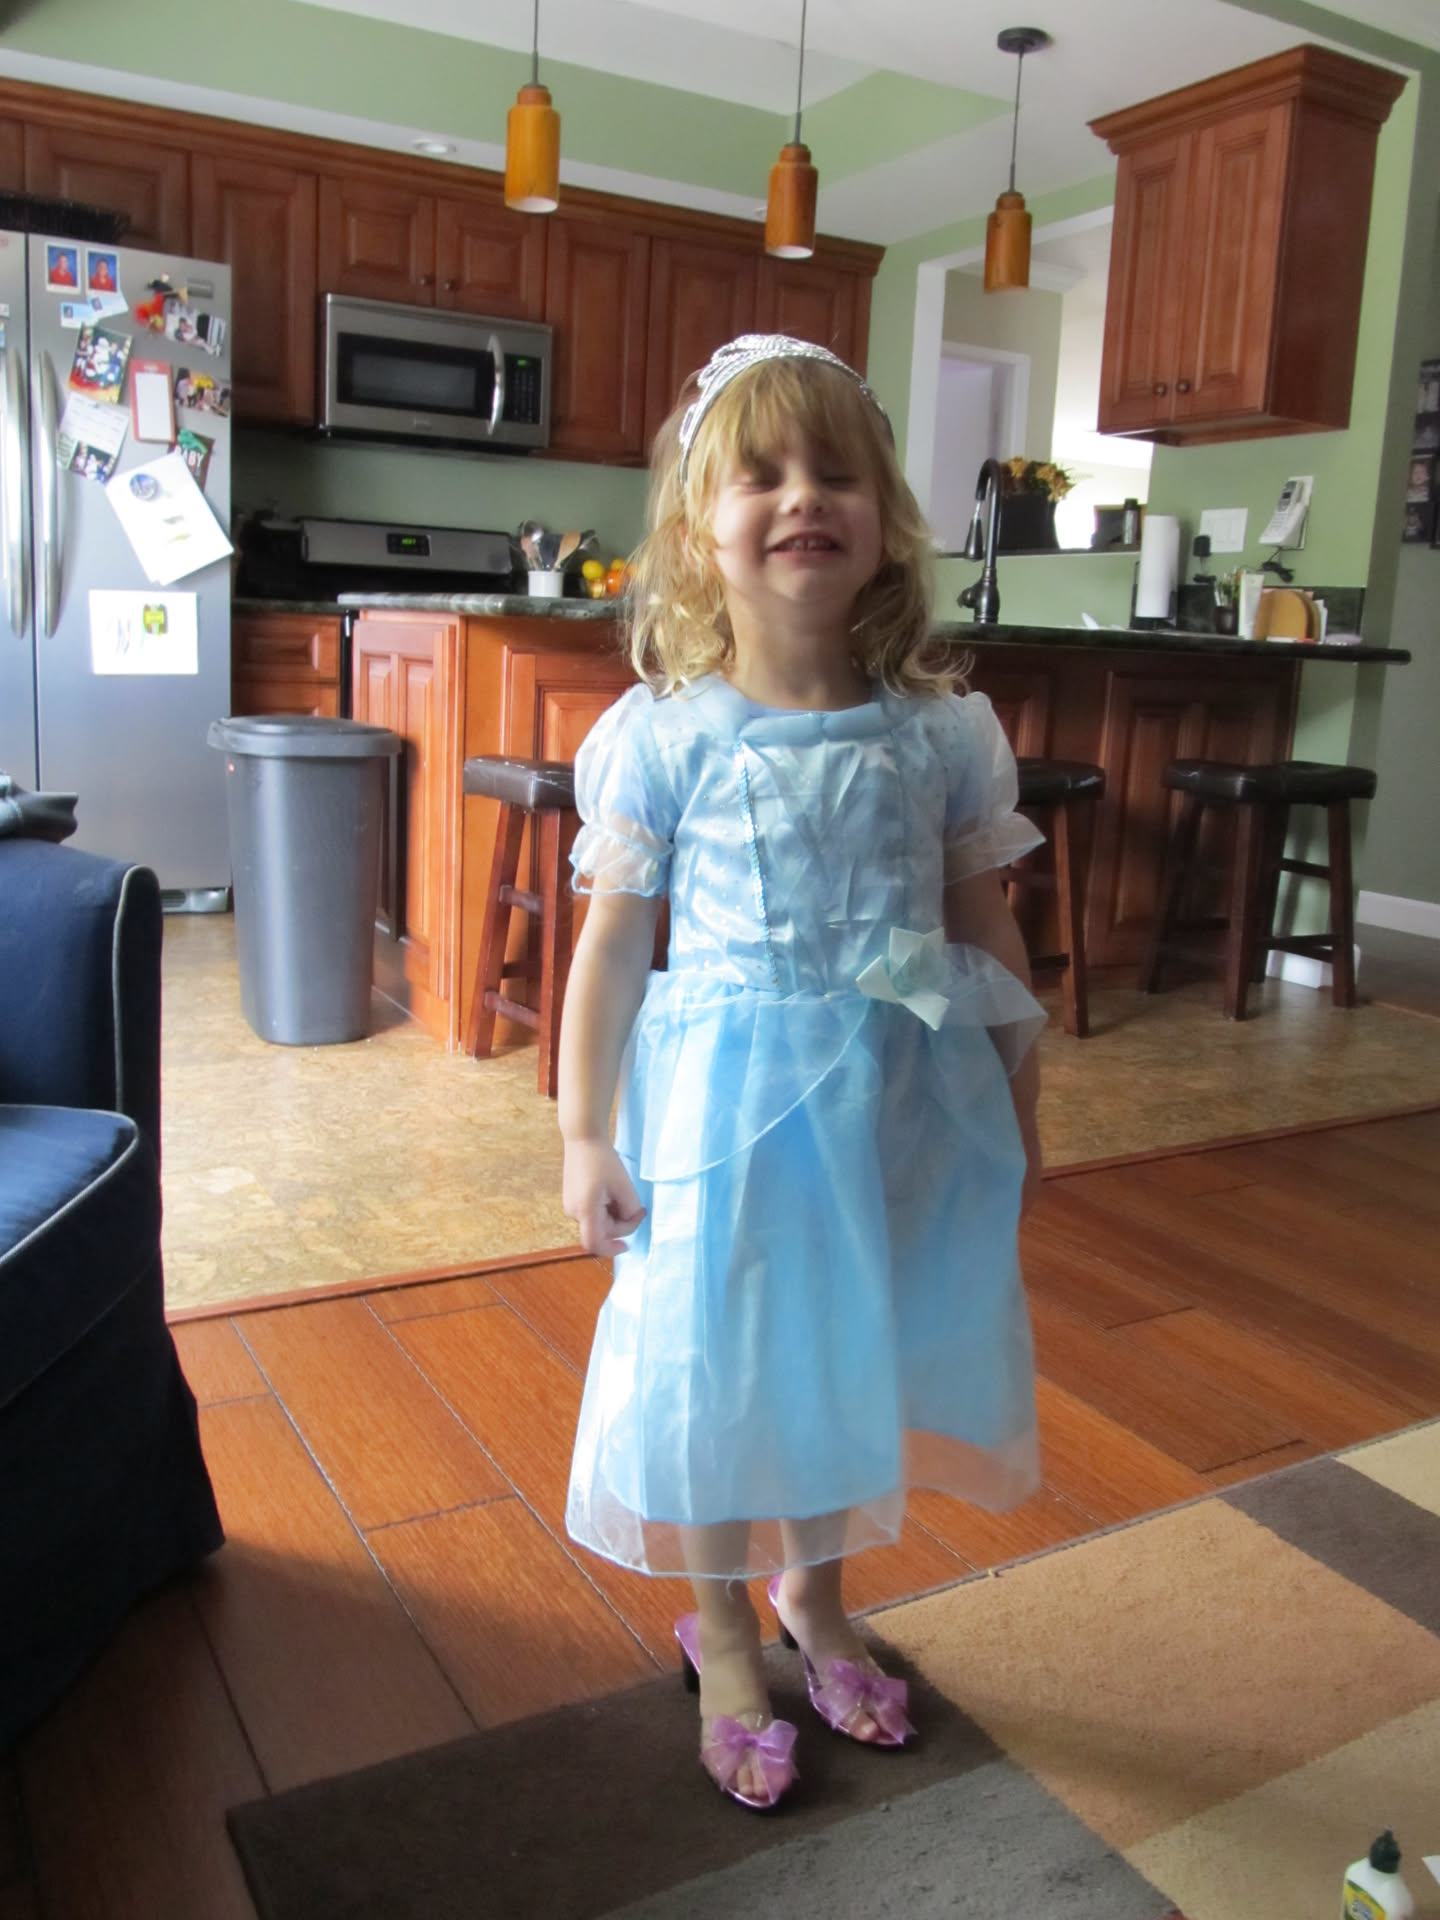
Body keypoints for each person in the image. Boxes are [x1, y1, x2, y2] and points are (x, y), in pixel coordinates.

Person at [558, 334, 1046, 1811]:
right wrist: (584, 1135)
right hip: (721, 1119)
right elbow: (609, 952)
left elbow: (981, 930)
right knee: (718, 1360)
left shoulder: (939, 732)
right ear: (696, 526)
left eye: (837, 471)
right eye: (760, 474)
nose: (801, 497)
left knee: (849, 1345)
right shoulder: (667, 738)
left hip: (894, 1096)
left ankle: (814, 1597)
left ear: (886, 516)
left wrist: (1019, 1095)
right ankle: (718, 1624)